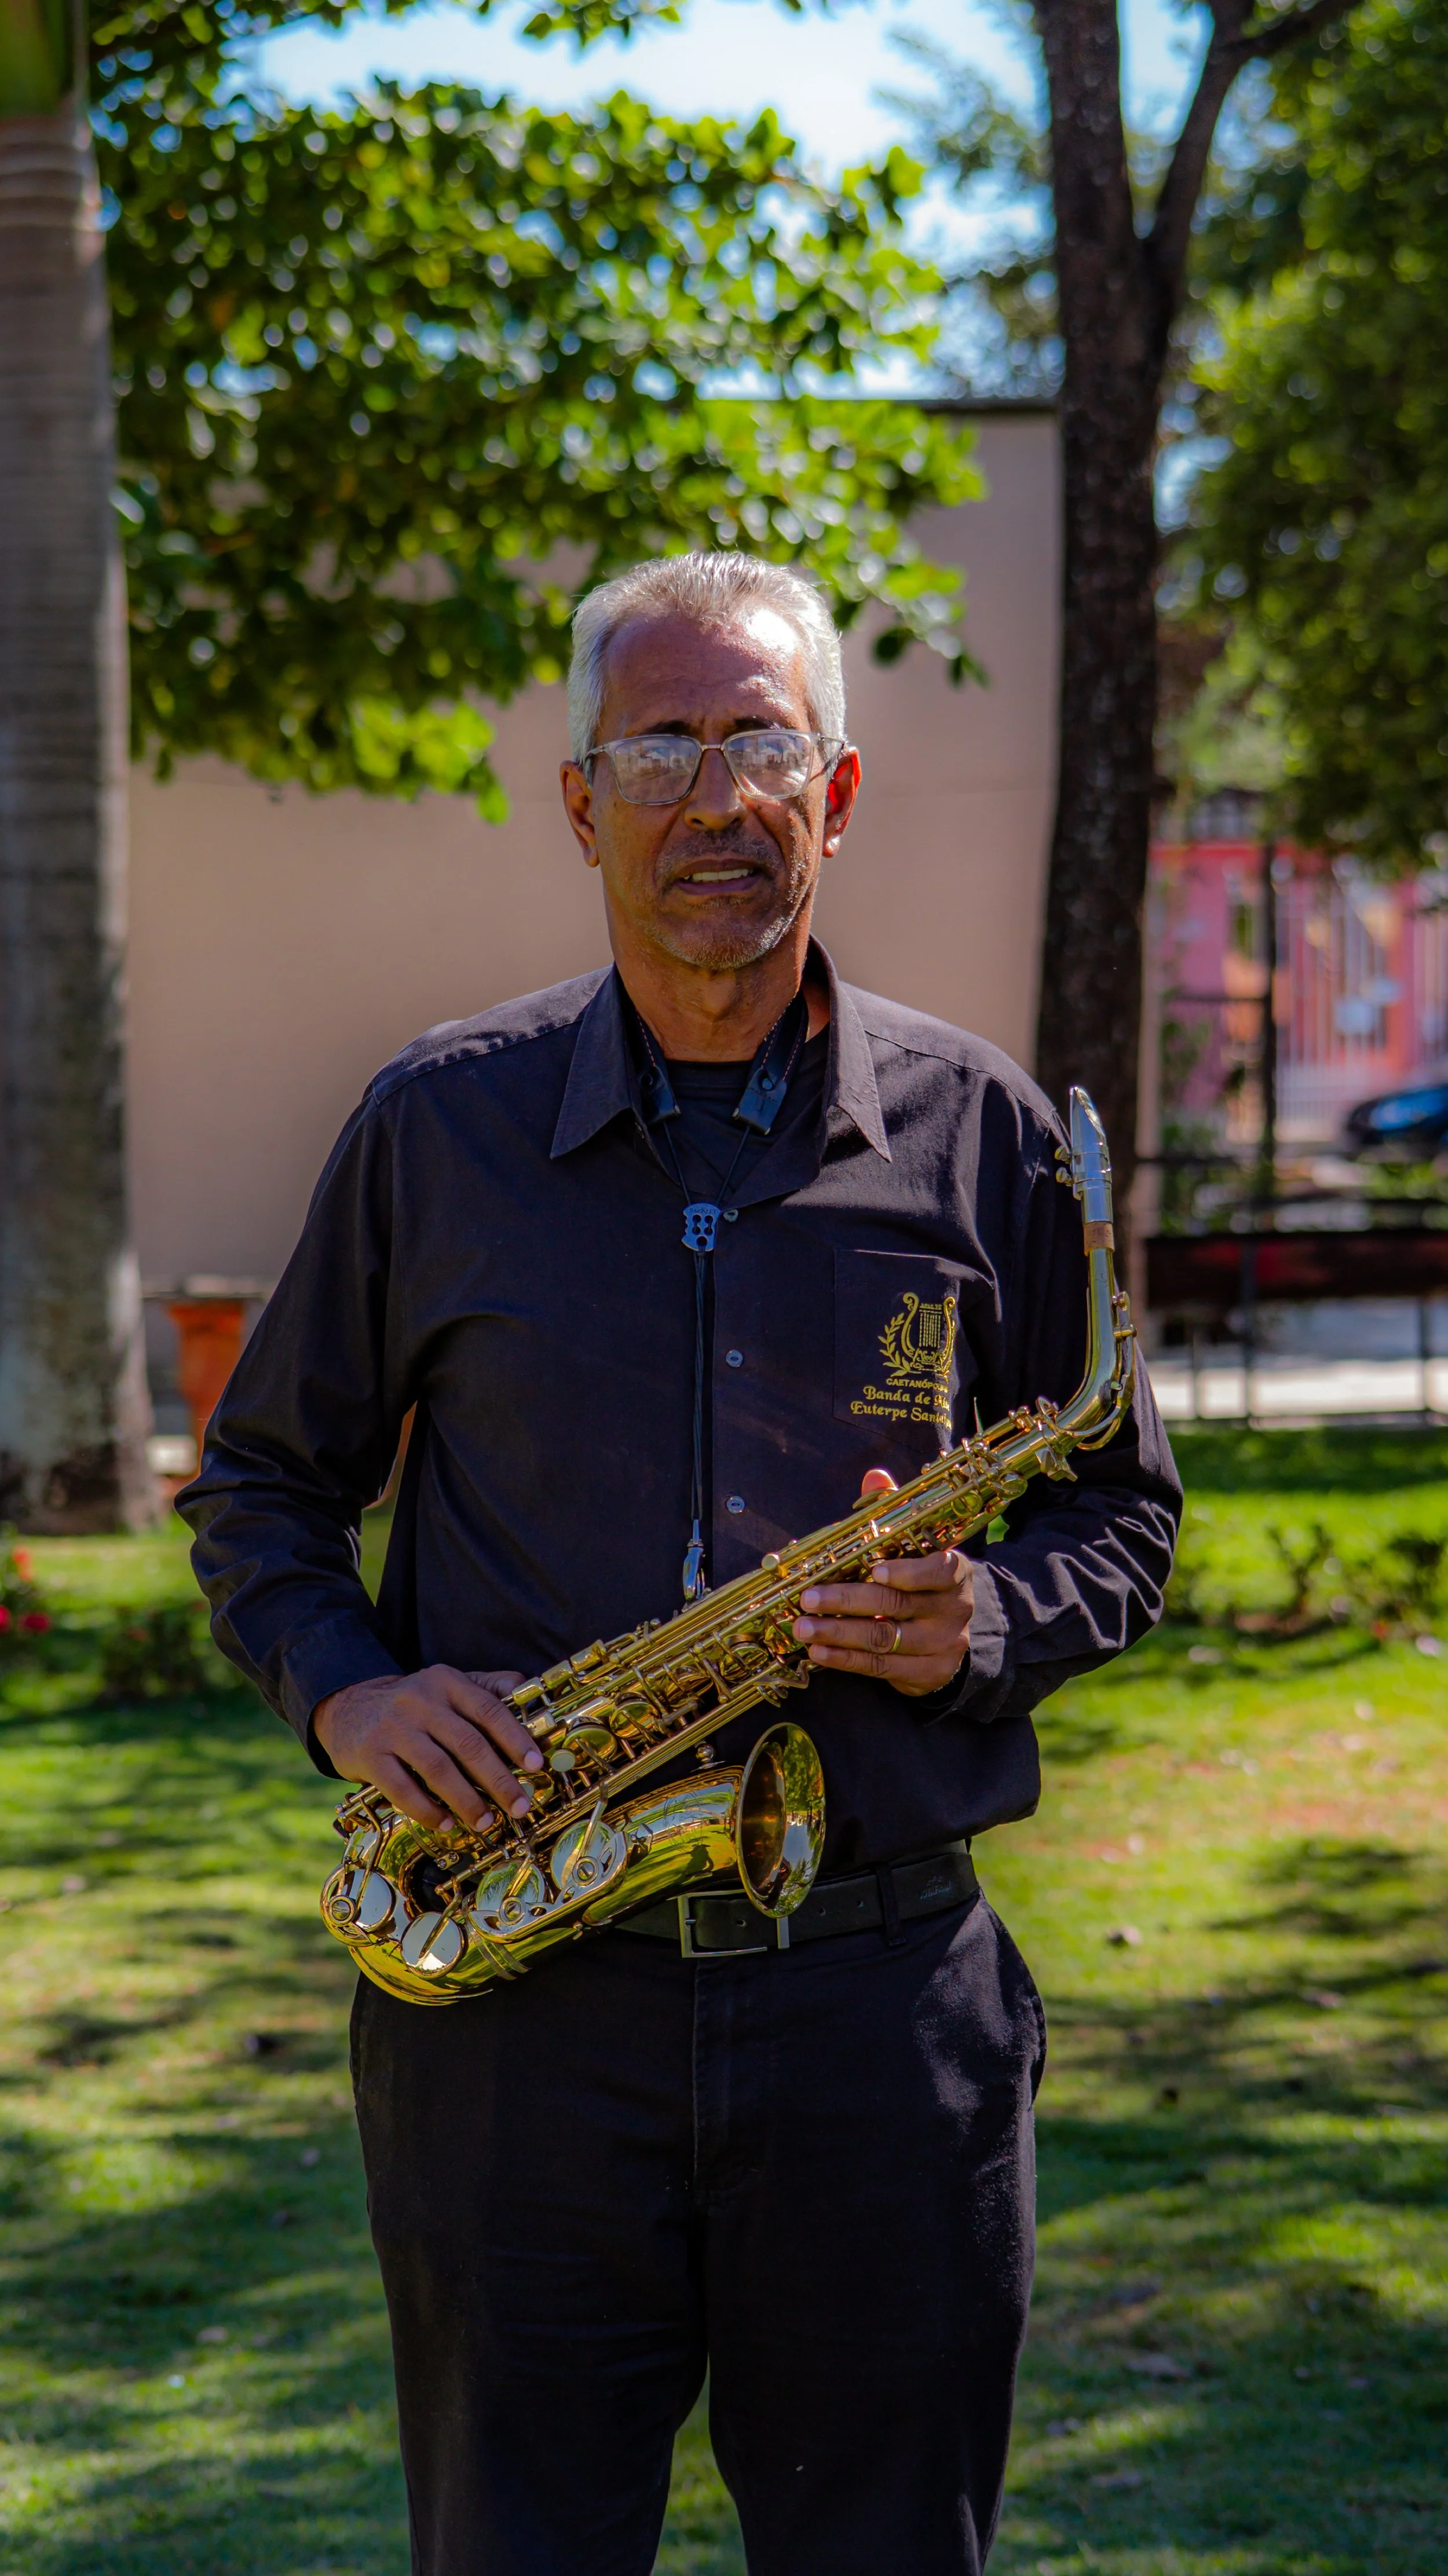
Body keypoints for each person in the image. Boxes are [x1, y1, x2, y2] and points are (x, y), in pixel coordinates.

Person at [180, 551, 1179, 2576]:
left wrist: (981, 1618)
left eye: (759, 742)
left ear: (838, 789)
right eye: (659, 744)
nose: (713, 798)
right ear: (578, 803)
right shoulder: (434, 1131)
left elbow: (1122, 1507)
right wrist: (353, 1693)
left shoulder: (981, 1135)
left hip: (882, 2016)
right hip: (518, 2031)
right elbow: (260, 1488)